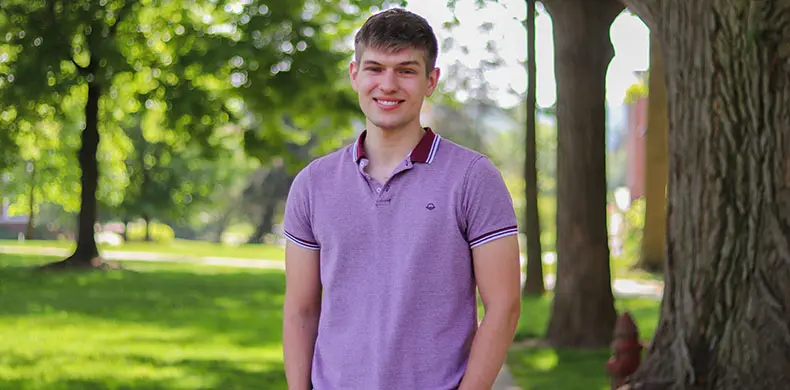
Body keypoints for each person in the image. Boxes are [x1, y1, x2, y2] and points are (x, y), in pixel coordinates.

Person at [282, 8, 521, 390]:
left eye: (406, 70)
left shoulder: (473, 178)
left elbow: (504, 306)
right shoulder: (313, 184)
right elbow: (300, 309)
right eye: (375, 68)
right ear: (354, 75)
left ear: (431, 81)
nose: (388, 85)